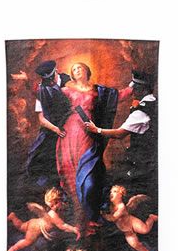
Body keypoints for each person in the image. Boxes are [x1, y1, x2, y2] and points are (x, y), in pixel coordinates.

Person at [55, 61, 133, 233]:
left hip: (88, 133)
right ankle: (80, 217)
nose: (77, 70)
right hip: (70, 132)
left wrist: (134, 85)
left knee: (90, 174)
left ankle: (91, 215)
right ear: (72, 74)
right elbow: (45, 95)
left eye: (80, 67)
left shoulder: (98, 91)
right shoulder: (66, 90)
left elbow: (117, 96)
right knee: (71, 172)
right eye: (74, 69)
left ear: (87, 71)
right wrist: (29, 81)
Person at [84, 69, 157, 197]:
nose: (132, 91)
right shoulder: (154, 103)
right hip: (151, 158)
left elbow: (119, 133)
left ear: (143, 89)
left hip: (143, 161)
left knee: (118, 184)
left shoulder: (141, 111)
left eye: (135, 88)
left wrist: (97, 130)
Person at [24, 60, 71, 191]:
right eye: (47, 80)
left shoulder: (68, 82)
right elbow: (42, 119)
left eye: (51, 79)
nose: (50, 82)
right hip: (52, 130)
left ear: (56, 71)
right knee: (40, 158)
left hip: (70, 127)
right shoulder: (42, 90)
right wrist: (56, 129)